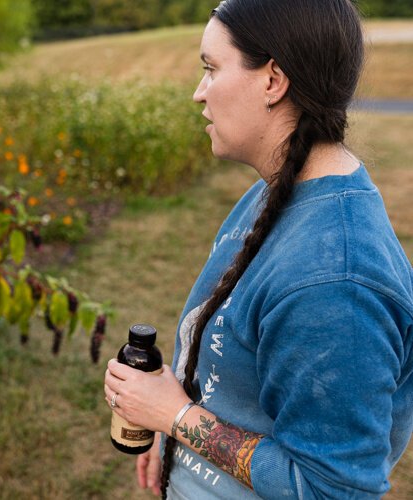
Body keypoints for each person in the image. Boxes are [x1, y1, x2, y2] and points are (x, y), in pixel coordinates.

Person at [103, 0, 413, 498]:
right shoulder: (281, 189)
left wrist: (176, 416)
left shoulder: (334, 287)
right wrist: (170, 436)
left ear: (273, 80)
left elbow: (333, 489)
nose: (198, 93)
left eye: (211, 68)